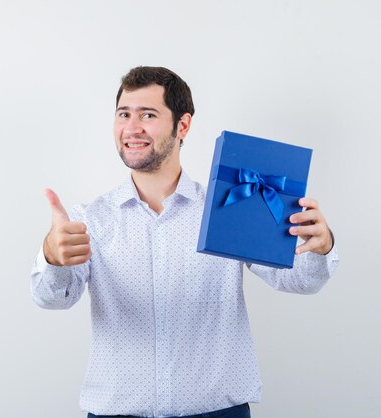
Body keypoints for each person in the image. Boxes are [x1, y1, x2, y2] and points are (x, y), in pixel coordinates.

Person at [30, 66, 338, 418]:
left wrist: (319, 246)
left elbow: (299, 280)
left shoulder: (229, 208)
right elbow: (52, 298)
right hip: (115, 412)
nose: (132, 128)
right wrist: (51, 257)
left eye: (148, 114)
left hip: (218, 412)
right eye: (123, 115)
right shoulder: (90, 219)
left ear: (183, 126)